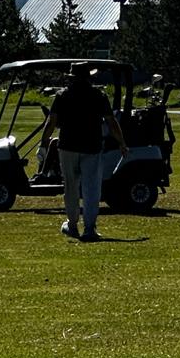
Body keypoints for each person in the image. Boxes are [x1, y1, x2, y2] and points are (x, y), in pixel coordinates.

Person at [42, 62, 127, 242]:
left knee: (71, 187)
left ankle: (72, 225)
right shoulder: (98, 96)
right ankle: (89, 228)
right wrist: (122, 143)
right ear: (89, 77)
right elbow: (111, 122)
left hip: (67, 146)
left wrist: (44, 143)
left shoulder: (62, 96)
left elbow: (51, 122)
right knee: (91, 188)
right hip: (91, 146)